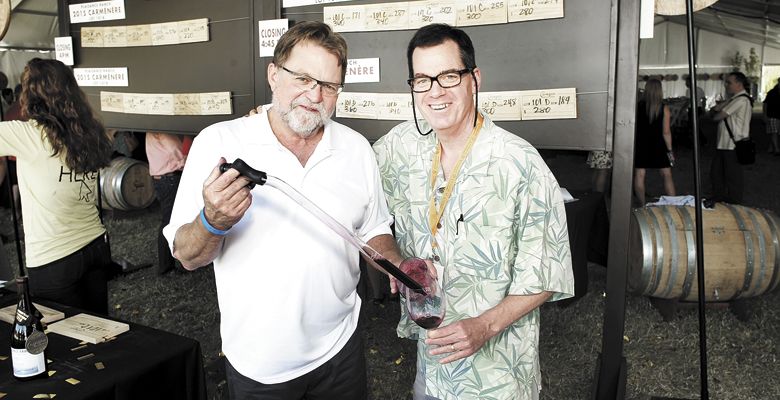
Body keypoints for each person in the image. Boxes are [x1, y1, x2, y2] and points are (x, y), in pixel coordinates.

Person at [164, 21, 401, 399]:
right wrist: (213, 221)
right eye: (303, 78)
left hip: (342, 349)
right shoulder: (221, 143)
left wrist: (395, 262)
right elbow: (187, 255)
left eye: (328, 85)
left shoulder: (356, 149)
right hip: (261, 366)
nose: (314, 95)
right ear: (273, 75)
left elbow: (373, 229)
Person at [373, 24, 574, 400]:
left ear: (474, 79)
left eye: (449, 76)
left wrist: (483, 326)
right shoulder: (398, 148)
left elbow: (548, 271)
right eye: (421, 80)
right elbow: (348, 181)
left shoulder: (520, 163)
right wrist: (271, 126)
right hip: (432, 366)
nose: (435, 91)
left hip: (498, 373)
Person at [0, 58, 114, 314]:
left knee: (66, 344)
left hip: (55, 258)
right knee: (100, 332)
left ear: (30, 93)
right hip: (95, 245)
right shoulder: (89, 130)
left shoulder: (28, 134)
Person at [145, 132, 191, 275]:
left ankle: (180, 261)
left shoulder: (152, 128)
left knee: (172, 219)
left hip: (165, 179)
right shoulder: (160, 129)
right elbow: (174, 149)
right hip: (169, 179)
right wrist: (188, 159)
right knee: (169, 221)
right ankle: (166, 267)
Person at [708, 72, 752, 204]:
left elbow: (717, 116)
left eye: (729, 82)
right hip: (725, 144)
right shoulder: (734, 99)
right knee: (717, 174)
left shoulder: (741, 100)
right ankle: (721, 198)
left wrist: (717, 109)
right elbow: (714, 111)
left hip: (732, 144)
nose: (726, 85)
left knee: (732, 177)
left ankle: (733, 202)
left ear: (739, 84)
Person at [634, 78, 676, 206]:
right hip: (659, 145)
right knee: (667, 175)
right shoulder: (664, 108)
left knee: (640, 175)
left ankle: (642, 205)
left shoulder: (637, 107)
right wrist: (670, 150)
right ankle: (673, 205)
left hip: (641, 144)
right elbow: (666, 132)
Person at [763, 80, 780, 155]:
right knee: (774, 132)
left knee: (774, 132)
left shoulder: (772, 92)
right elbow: (765, 104)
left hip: (775, 115)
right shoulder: (772, 92)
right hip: (773, 115)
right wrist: (765, 115)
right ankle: (776, 149)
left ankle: (771, 147)